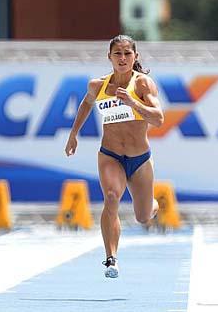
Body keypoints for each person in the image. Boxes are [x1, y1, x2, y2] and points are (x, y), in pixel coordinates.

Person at [65, 35, 164, 278]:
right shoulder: (97, 85)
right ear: (109, 57)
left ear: (135, 57)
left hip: (140, 158)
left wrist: (133, 102)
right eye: (117, 54)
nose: (122, 58)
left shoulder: (142, 85)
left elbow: (159, 118)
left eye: (127, 54)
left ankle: (153, 204)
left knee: (143, 217)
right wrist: (73, 133)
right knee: (111, 197)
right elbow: (86, 104)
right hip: (110, 155)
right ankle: (111, 258)